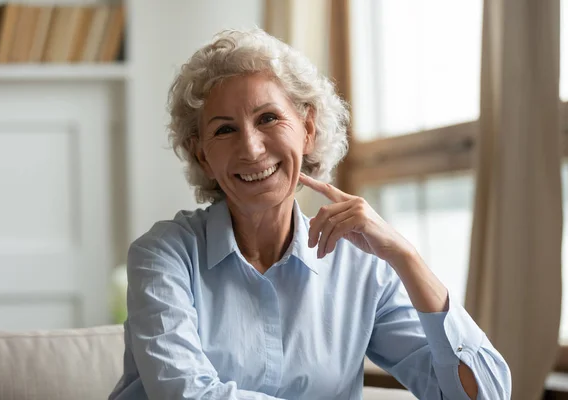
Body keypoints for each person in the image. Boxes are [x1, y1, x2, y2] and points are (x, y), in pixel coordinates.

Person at [109, 29, 511, 400]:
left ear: (308, 129)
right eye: (224, 130)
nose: (250, 149)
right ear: (203, 156)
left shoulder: (363, 266)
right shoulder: (163, 254)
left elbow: (483, 395)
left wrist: (405, 258)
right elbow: (186, 395)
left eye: (268, 118)